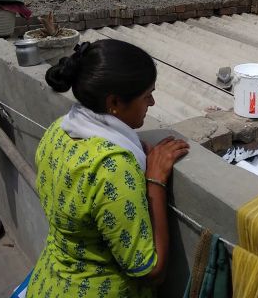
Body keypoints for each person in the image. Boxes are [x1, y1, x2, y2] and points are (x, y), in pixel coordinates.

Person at [26, 40, 189, 298]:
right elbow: (151, 272)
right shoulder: (113, 166)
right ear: (114, 102)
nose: (152, 102)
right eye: (146, 95)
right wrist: (155, 181)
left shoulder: (58, 130)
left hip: (48, 283)